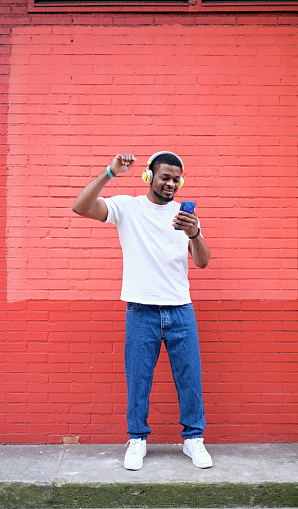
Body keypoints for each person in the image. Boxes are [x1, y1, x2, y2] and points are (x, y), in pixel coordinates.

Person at [72, 151, 212, 471]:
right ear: (149, 176)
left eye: (176, 179)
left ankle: (194, 440)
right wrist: (110, 172)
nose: (171, 183)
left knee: (189, 378)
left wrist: (194, 233)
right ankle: (137, 440)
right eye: (165, 177)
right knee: (138, 379)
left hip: (180, 310)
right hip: (141, 310)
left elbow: (202, 261)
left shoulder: (184, 216)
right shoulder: (127, 207)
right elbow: (80, 206)